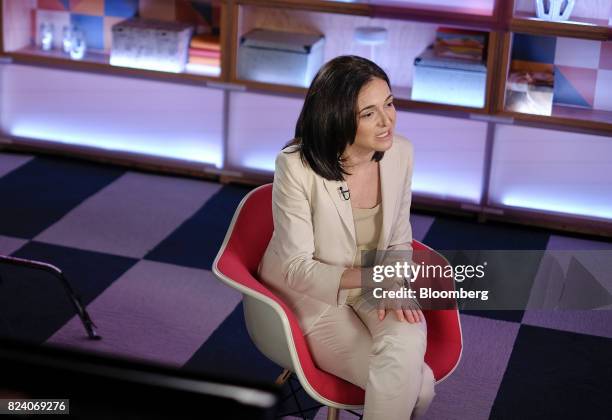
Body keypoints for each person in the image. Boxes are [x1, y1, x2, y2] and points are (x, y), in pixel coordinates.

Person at [257, 55, 435, 420]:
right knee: (419, 387)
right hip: (310, 294)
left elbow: (400, 239)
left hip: (373, 282)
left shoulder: (400, 153)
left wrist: (392, 281)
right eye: (369, 113)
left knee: (408, 344)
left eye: (389, 103)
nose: (387, 121)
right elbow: (296, 269)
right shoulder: (296, 165)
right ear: (337, 117)